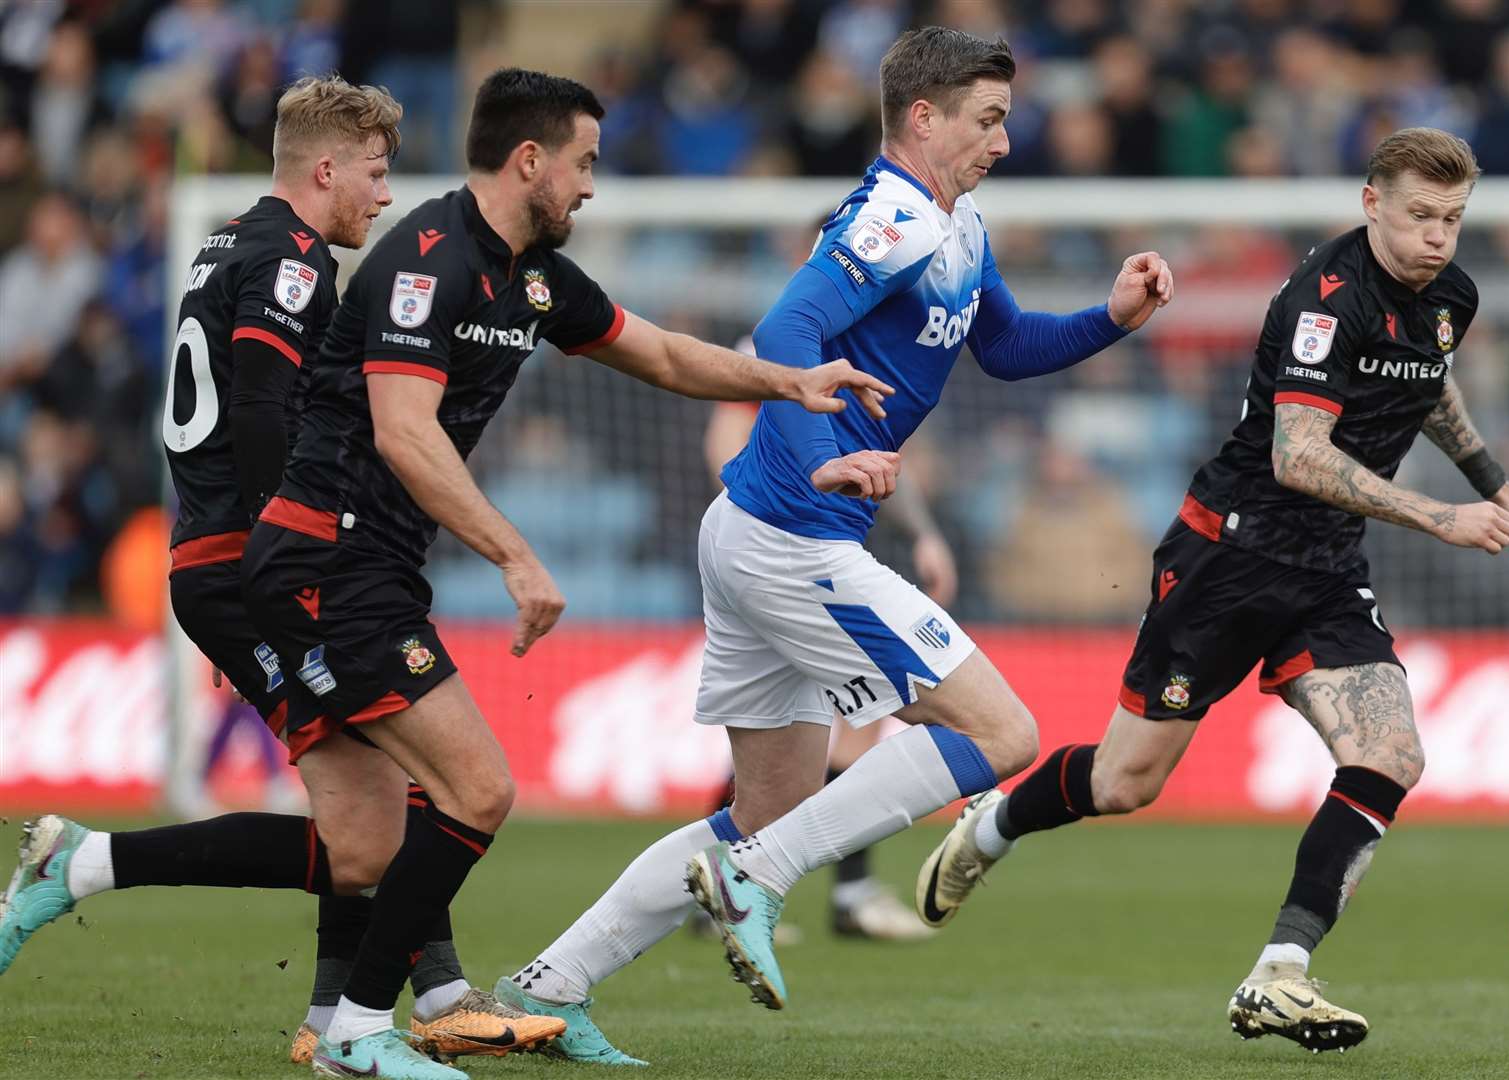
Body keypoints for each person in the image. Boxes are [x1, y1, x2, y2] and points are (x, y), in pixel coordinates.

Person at [4, 68, 891, 1080]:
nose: (592, 185)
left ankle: (97, 871)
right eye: (584, 162)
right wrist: (515, 556)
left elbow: (659, 354)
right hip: (324, 559)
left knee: (361, 839)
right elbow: (402, 430)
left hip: (356, 561)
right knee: (473, 787)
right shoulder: (426, 260)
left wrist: (789, 381)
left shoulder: (537, 277)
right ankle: (370, 1025)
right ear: (530, 161)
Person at [494, 27, 1172, 1056]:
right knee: (1003, 737)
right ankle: (759, 881)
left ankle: (548, 982)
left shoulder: (957, 223)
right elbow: (785, 334)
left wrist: (1109, 318)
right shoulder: (888, 220)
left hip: (757, 531)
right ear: (922, 118)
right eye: (986, 119)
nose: (1003, 137)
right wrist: (821, 454)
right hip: (795, 536)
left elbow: (1003, 344)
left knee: (765, 809)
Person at [912, 127, 1509, 1054]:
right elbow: (1298, 457)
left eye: (1453, 220)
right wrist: (1442, 516)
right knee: (1124, 780)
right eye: (1419, 215)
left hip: (1329, 571)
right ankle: (992, 828)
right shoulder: (1322, 302)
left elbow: (1427, 384)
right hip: (1229, 558)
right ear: (1370, 203)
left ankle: (1279, 975)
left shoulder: (1449, 293)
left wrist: (1493, 482)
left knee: (1390, 754)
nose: (1437, 238)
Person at [0, 75, 560, 1066]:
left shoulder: (233, 240)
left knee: (365, 823)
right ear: (326, 168)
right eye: (376, 175)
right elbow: (264, 409)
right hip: (250, 561)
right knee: (397, 805)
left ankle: (338, 1013)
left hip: (224, 557)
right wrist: (286, 559)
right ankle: (410, 998)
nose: (384, 199)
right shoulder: (295, 260)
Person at [702, 390, 957, 940]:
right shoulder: (778, 351)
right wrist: (764, 535)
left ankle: (814, 894)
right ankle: (790, 893)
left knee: (841, 726)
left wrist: (922, 533)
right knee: (789, 740)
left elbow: (884, 454)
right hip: (785, 555)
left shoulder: (858, 360)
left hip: (832, 548)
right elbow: (723, 448)